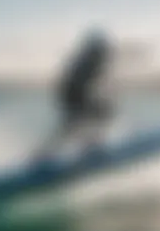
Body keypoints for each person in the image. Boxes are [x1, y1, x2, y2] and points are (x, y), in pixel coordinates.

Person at [33, 27, 117, 162]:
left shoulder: (89, 59)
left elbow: (94, 83)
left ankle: (89, 145)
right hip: (73, 95)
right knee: (80, 121)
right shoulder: (89, 60)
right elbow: (77, 83)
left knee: (91, 117)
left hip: (72, 94)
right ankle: (44, 154)